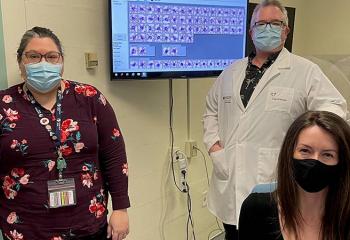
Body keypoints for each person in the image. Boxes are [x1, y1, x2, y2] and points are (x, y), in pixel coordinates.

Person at [202, 0, 347, 239]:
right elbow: (210, 110)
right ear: (250, 32)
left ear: (285, 30)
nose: (266, 28)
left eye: (275, 23)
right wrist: (214, 147)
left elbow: (334, 109)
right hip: (230, 178)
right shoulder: (231, 71)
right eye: (260, 23)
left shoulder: (304, 71)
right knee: (233, 233)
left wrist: (309, 142)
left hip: (273, 181)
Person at [0, 26, 130, 239]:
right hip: (26, 230)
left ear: (61, 62)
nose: (43, 63)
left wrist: (120, 208)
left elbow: (115, 155)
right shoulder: (4, 105)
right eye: (33, 56)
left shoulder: (89, 98)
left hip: (88, 225)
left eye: (52, 56)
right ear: (20, 62)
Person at [238, 111, 350, 239]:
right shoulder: (256, 210)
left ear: (342, 162)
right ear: (290, 153)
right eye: (305, 150)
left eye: (327, 154)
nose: (314, 161)